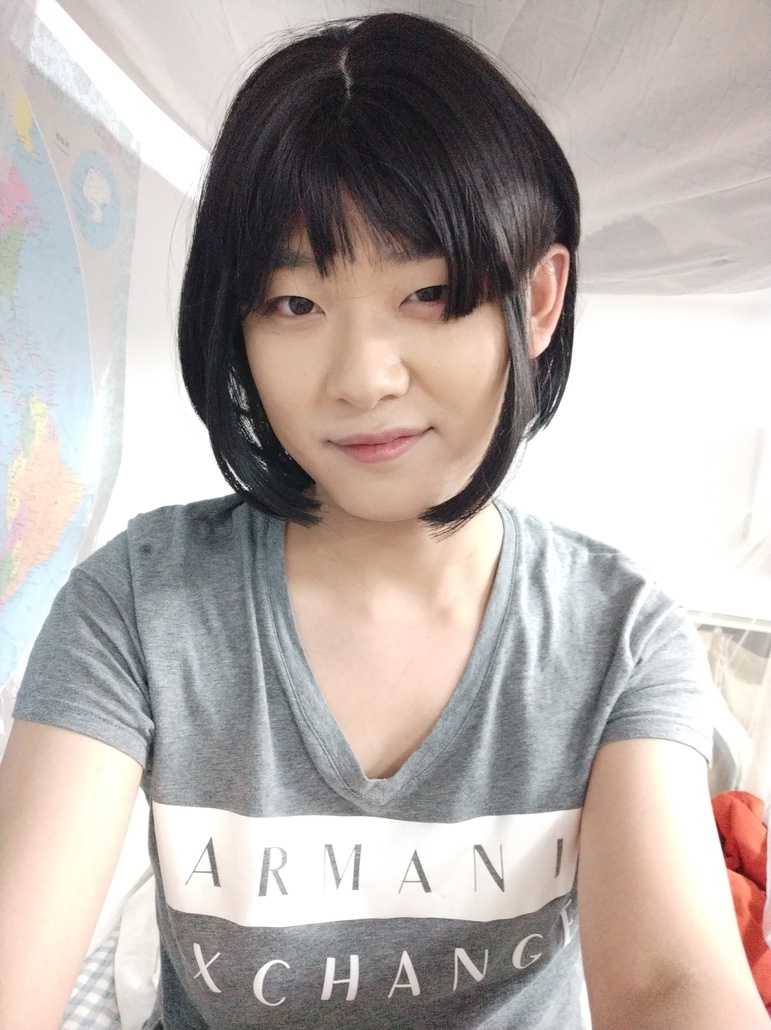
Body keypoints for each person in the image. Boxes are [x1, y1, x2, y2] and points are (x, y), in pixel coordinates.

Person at [0, 12, 768, 1030]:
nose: (362, 378)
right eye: (294, 303)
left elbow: (672, 980)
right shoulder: (138, 608)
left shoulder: (619, 637)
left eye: (430, 292)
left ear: (538, 299)